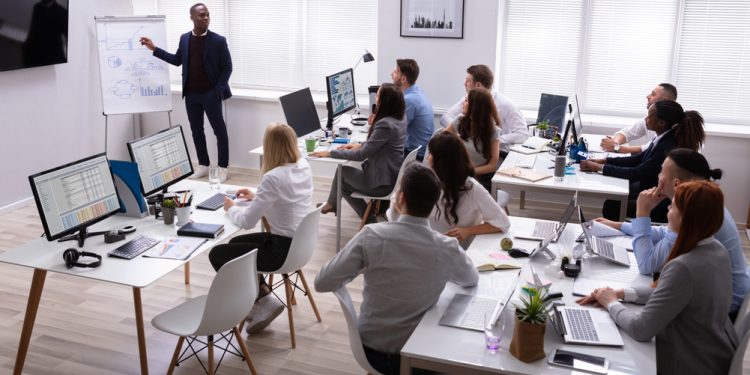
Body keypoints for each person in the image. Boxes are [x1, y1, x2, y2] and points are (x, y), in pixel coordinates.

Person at [315, 163, 479, 375]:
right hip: (421, 359)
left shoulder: (371, 236)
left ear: (400, 198)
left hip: (372, 351)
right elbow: (471, 279)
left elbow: (321, 282)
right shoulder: (447, 247)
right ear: (434, 204)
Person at [577, 180, 738, 374]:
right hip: (714, 353)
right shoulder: (716, 250)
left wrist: (611, 303)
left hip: (688, 364)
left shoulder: (684, 267)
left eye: (673, 206)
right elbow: (671, 291)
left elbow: (641, 329)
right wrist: (621, 293)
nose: (668, 208)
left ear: (687, 217)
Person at [593, 148, 749, 319]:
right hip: (723, 292)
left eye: (661, 172)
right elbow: (664, 232)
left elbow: (646, 265)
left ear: (676, 183)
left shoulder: (694, 213)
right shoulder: (702, 201)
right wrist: (619, 225)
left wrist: (642, 214)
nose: (658, 176)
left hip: (720, 308)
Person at [208, 122, 312, 334]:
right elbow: (287, 198)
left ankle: (253, 304)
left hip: (280, 252)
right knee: (235, 244)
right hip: (300, 245)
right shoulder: (303, 165)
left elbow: (247, 222)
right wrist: (258, 198)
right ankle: (263, 297)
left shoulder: (272, 178)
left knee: (218, 254)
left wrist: (231, 208)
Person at [139, 3, 232, 182]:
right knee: (197, 131)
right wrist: (154, 49)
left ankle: (222, 167)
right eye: (201, 15)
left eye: (207, 15)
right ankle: (203, 165)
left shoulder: (218, 41)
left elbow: (227, 67)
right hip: (191, 95)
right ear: (192, 18)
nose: (206, 18)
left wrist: (217, 91)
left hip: (211, 95)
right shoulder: (184, 39)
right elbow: (176, 60)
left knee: (219, 131)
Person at [580, 100, 705, 221]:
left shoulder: (667, 147)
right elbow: (638, 159)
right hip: (651, 188)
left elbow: (637, 173)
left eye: (649, 116)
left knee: (613, 206)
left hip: (662, 202)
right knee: (615, 198)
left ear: (661, 123)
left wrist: (599, 168)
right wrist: (605, 161)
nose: (646, 119)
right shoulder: (663, 137)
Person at [388, 131, 510, 249]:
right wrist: (400, 207)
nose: (427, 157)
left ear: (440, 161)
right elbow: (395, 211)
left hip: (456, 250)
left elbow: (503, 223)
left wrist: (468, 231)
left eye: (430, 154)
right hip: (426, 247)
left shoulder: (472, 188)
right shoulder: (426, 180)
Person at [314, 84, 407, 223]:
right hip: (391, 176)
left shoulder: (385, 124)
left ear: (384, 102)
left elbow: (361, 155)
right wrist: (359, 145)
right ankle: (363, 218)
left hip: (381, 184)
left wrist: (330, 153)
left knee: (341, 173)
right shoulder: (400, 118)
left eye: (378, 95)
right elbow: (380, 145)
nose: (376, 98)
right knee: (343, 185)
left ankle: (336, 206)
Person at [440, 64, 528, 157]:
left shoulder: (506, 105)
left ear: (478, 85)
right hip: (473, 151)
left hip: (497, 154)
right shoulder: (467, 99)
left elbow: (523, 134)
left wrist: (494, 140)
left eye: (468, 81)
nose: (464, 83)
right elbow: (445, 117)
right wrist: (459, 130)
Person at [444, 87, 501, 192]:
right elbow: (442, 139)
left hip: (481, 177)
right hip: (461, 174)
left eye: (466, 101)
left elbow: (492, 166)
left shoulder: (493, 131)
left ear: (475, 107)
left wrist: (468, 172)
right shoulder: (460, 121)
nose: (463, 104)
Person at [600, 83, 677, 154]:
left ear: (665, 101)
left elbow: (647, 148)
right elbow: (627, 132)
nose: (648, 96)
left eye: (653, 94)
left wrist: (615, 147)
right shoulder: (650, 118)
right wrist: (615, 142)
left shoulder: (671, 126)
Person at [391, 59, 433, 161]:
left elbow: (395, 130)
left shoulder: (409, 100)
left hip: (415, 156)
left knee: (378, 155)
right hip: (421, 150)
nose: (391, 73)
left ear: (403, 79)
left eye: (396, 72)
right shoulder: (416, 90)